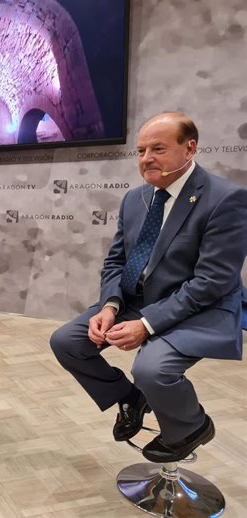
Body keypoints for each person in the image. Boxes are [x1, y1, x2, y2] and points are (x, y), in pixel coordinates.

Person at [50, 112, 247, 462]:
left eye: (158, 148)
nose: (146, 159)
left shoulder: (225, 199)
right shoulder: (135, 199)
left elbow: (211, 282)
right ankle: (129, 398)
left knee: (151, 369)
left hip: (196, 307)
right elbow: (115, 262)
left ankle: (191, 425)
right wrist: (109, 305)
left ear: (190, 148)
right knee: (66, 341)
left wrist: (146, 324)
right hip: (133, 300)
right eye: (140, 151)